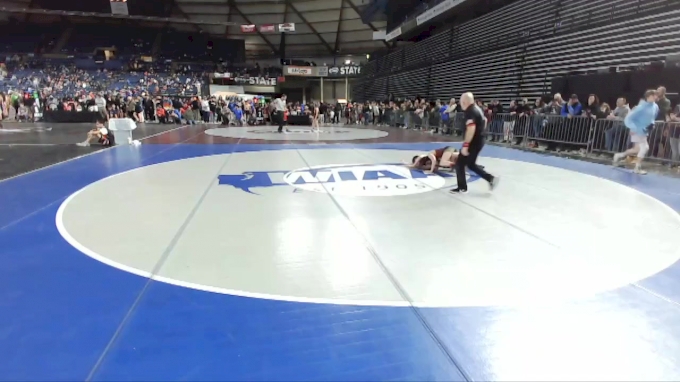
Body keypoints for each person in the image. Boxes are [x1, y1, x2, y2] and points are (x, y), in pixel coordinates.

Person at [451, 92, 498, 194]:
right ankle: (491, 179)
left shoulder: (470, 111)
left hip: (473, 142)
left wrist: (466, 145)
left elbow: (471, 128)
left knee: (459, 163)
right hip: (479, 141)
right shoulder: (477, 109)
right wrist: (481, 132)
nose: (460, 103)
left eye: (461, 101)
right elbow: (484, 120)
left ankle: (462, 188)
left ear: (465, 101)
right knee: (471, 164)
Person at [613, 89, 658, 175]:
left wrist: (652, 124)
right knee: (645, 148)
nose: (655, 97)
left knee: (636, 149)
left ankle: (619, 155)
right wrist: (633, 128)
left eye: (655, 95)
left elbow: (652, 118)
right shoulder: (641, 107)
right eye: (653, 95)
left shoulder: (655, 106)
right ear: (648, 97)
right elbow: (628, 119)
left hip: (644, 131)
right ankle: (637, 167)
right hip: (637, 130)